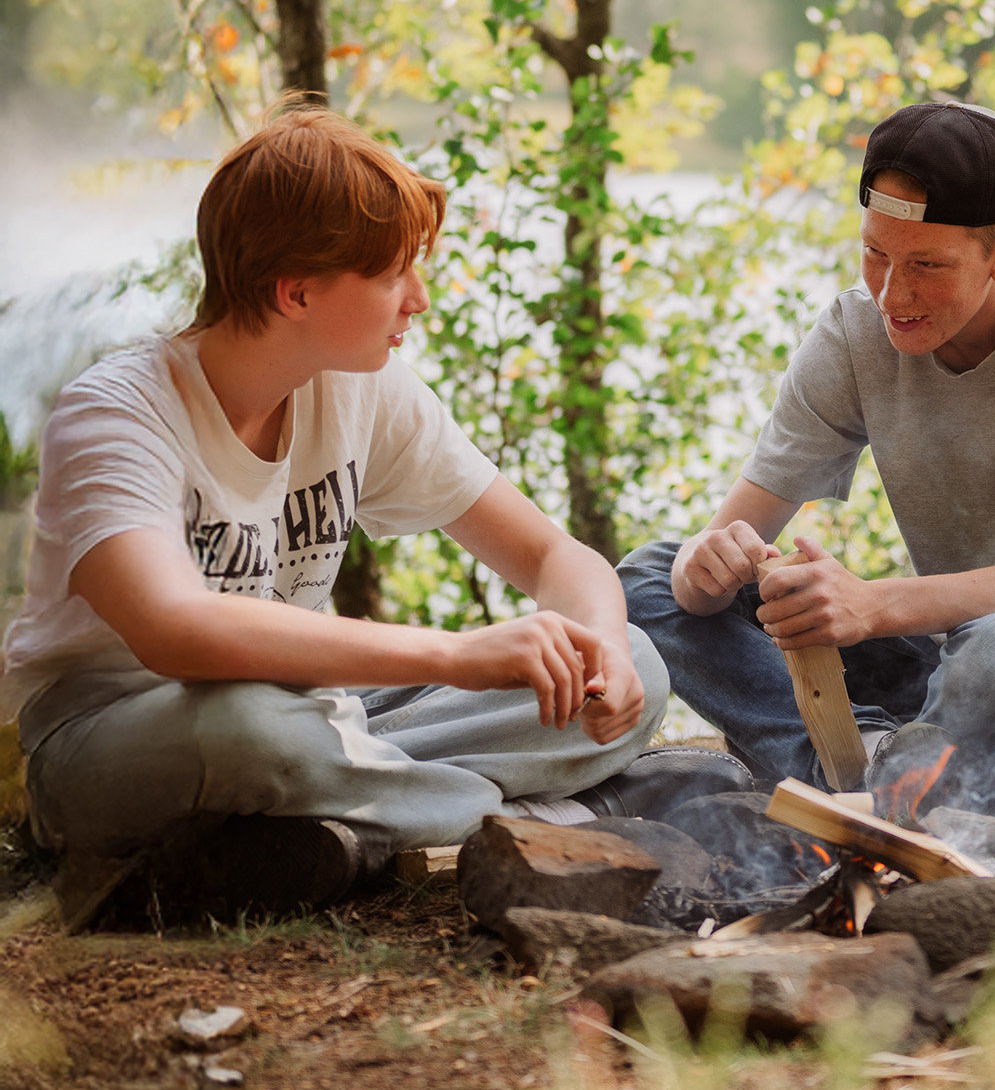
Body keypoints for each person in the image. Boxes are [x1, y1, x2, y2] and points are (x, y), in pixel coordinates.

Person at [1, 99, 747, 926]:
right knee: (256, 728)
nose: (417, 300)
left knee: (636, 661)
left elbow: (550, 558)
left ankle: (350, 831)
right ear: (296, 292)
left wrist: (597, 650)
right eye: (393, 274)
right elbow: (173, 630)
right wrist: (462, 655)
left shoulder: (363, 388)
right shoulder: (116, 415)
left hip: (325, 718)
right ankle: (548, 819)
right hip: (120, 741)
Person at [620, 102, 995, 814]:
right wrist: (705, 569)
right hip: (951, 662)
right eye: (875, 253)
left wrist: (872, 605)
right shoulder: (854, 333)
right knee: (649, 578)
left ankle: (860, 778)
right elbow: (723, 549)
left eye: (926, 265)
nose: (891, 294)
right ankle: (872, 771)